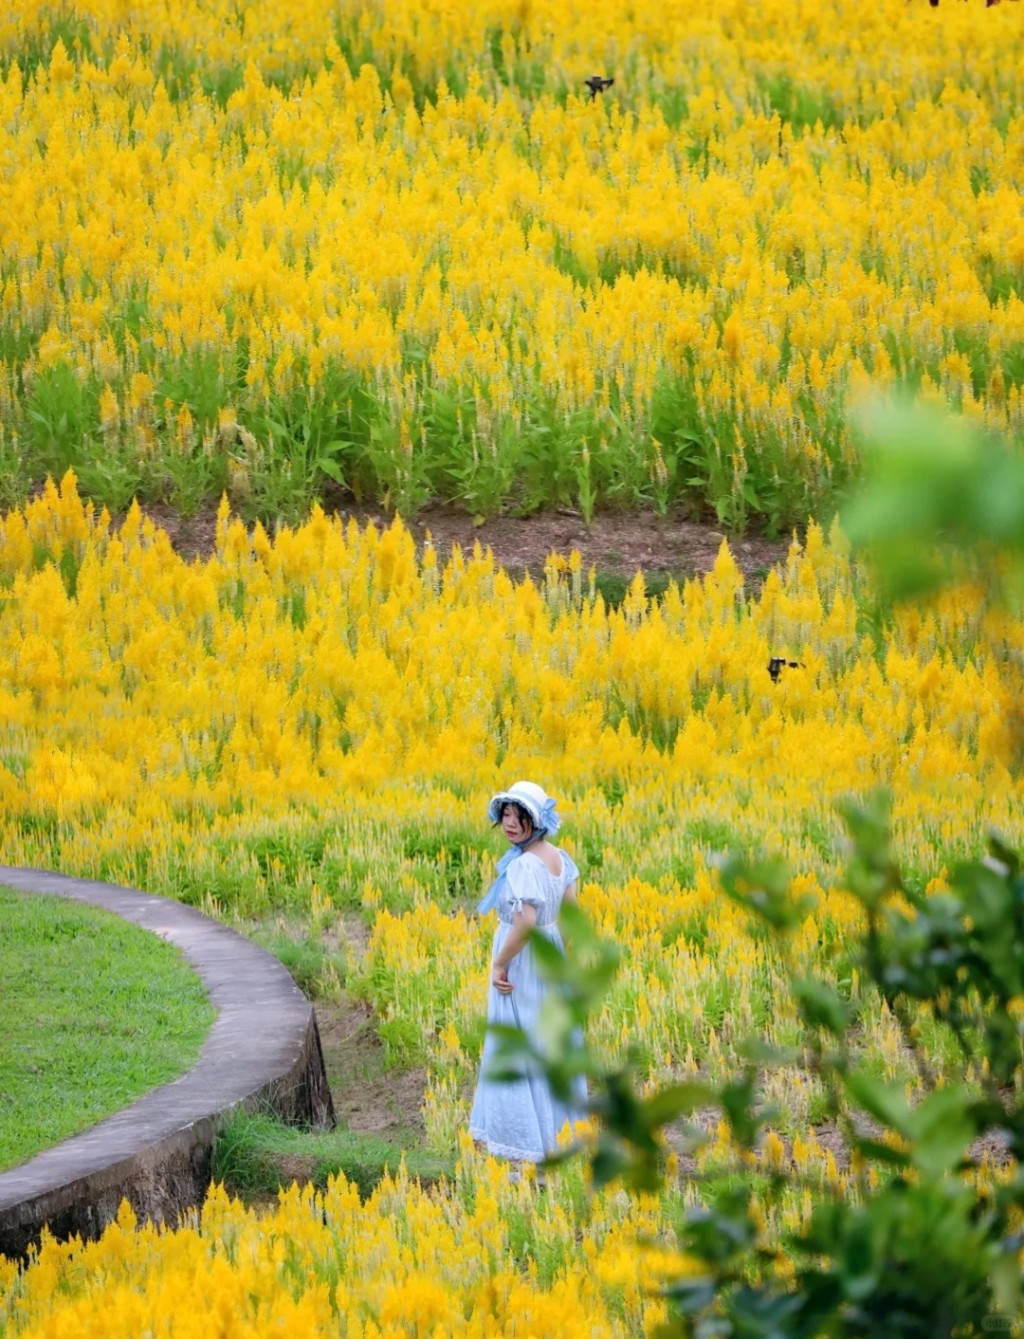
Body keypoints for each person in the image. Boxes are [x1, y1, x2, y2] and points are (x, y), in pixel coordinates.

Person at [468, 780, 587, 1167]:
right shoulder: (560, 859)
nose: (510, 823)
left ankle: (526, 1150)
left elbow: (525, 923)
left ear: (537, 820)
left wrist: (500, 962)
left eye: (520, 816)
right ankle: (555, 1141)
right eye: (505, 814)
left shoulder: (522, 866)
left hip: (521, 963)